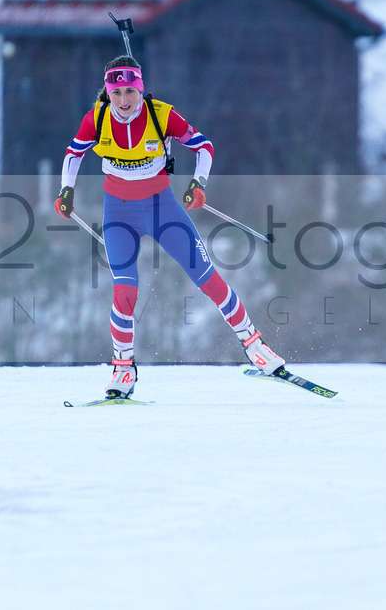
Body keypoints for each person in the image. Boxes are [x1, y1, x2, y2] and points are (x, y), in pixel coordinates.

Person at [55, 55, 285, 398]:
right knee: (125, 291)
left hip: (162, 209)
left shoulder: (161, 115)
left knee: (207, 278)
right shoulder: (97, 118)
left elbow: (203, 146)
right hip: (118, 213)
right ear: (107, 92)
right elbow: (73, 154)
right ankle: (123, 370)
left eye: (130, 91)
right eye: (116, 92)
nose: (124, 100)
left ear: (140, 89)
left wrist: (198, 184)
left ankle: (256, 347)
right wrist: (66, 190)